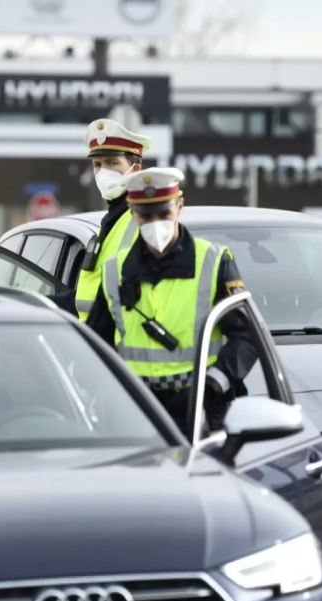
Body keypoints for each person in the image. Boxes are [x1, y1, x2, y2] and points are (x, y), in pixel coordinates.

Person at [86, 168, 257, 437]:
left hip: (200, 411)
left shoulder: (213, 261)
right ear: (132, 212)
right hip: (136, 413)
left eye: (163, 214)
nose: (156, 224)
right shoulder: (113, 271)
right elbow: (95, 345)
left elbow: (247, 337)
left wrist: (213, 385)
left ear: (180, 206)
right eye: (146, 216)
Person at [68, 119, 151, 320]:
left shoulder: (144, 221)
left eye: (113, 163)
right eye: (98, 164)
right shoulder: (111, 221)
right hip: (95, 340)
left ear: (136, 169)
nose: (104, 172)